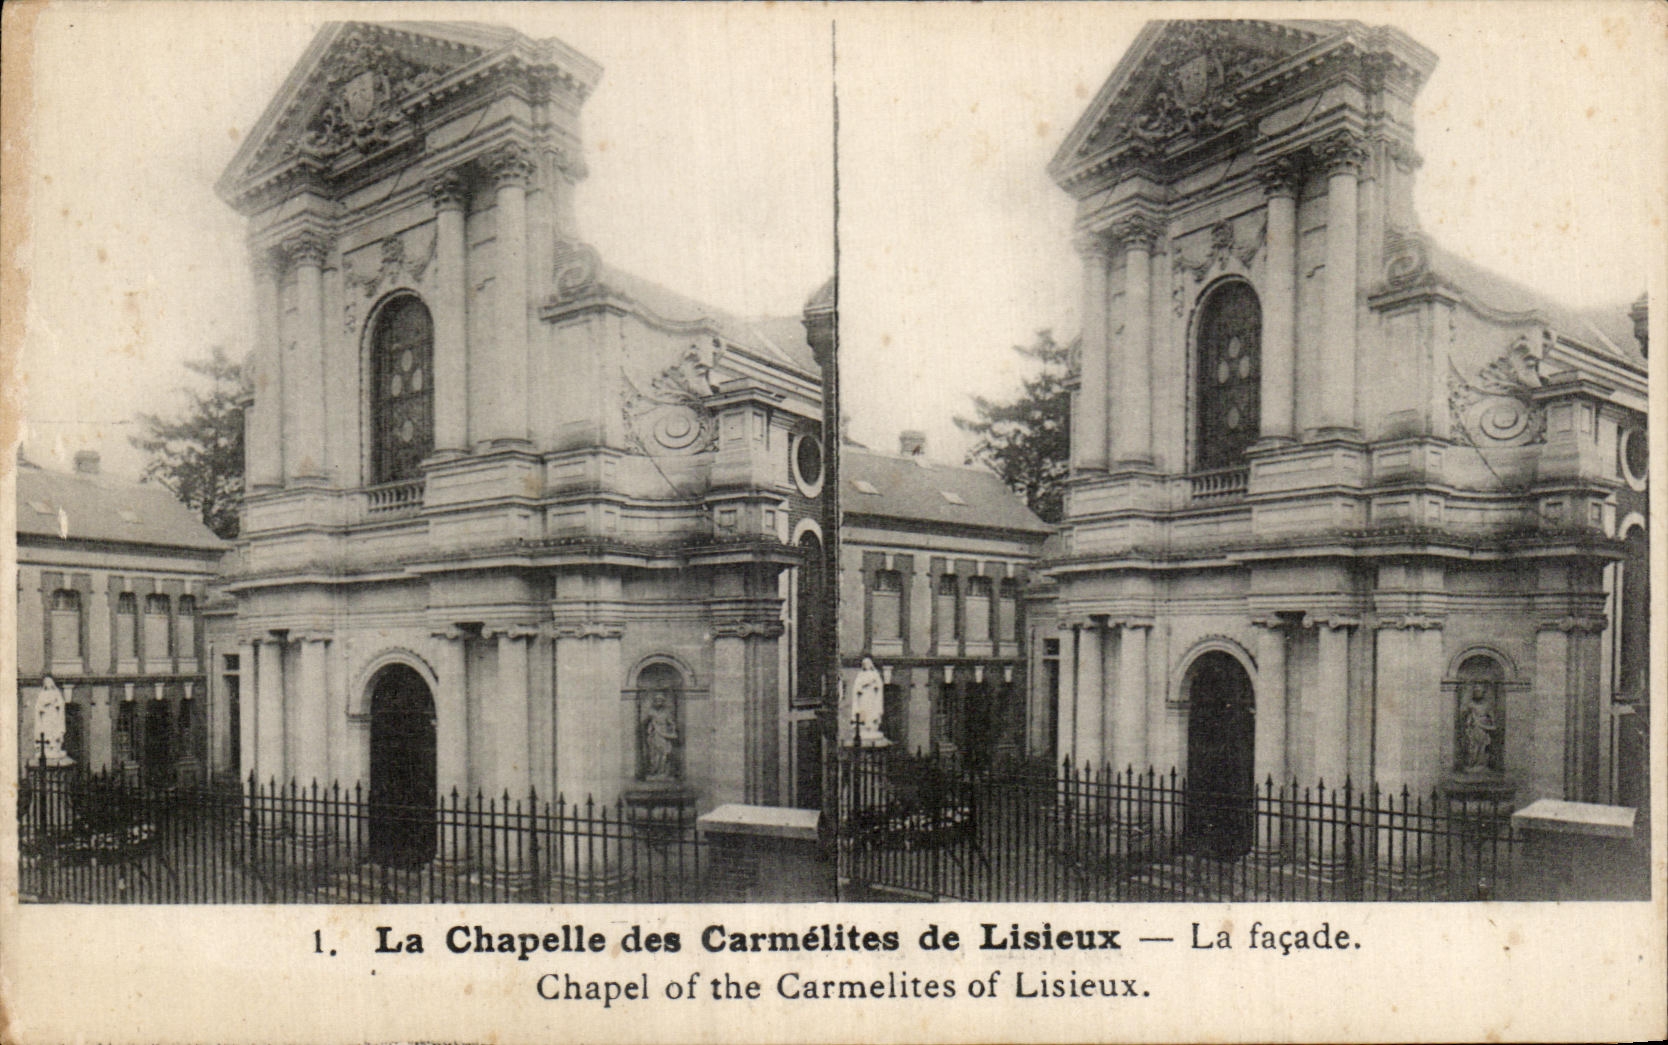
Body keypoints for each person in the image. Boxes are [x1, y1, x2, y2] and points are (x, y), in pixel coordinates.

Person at [641, 691, 680, 780]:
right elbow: (645, 723)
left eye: (660, 700)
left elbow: (671, 723)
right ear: (654, 701)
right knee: (654, 754)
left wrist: (672, 729)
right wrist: (649, 723)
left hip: (664, 735)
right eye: (657, 700)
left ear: (663, 701)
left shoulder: (666, 712)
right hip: (655, 735)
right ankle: (654, 771)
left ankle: (663, 772)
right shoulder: (651, 712)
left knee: (664, 754)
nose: (659, 702)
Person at [851, 657, 886, 744]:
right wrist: (861, 687)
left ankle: (871, 726)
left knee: (871, 711)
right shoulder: (860, 675)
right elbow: (856, 687)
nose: (866, 665)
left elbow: (879, 685)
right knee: (863, 711)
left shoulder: (875, 674)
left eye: (867, 663)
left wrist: (874, 685)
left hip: (871, 696)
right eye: (864, 664)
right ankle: (864, 726)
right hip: (864, 696)